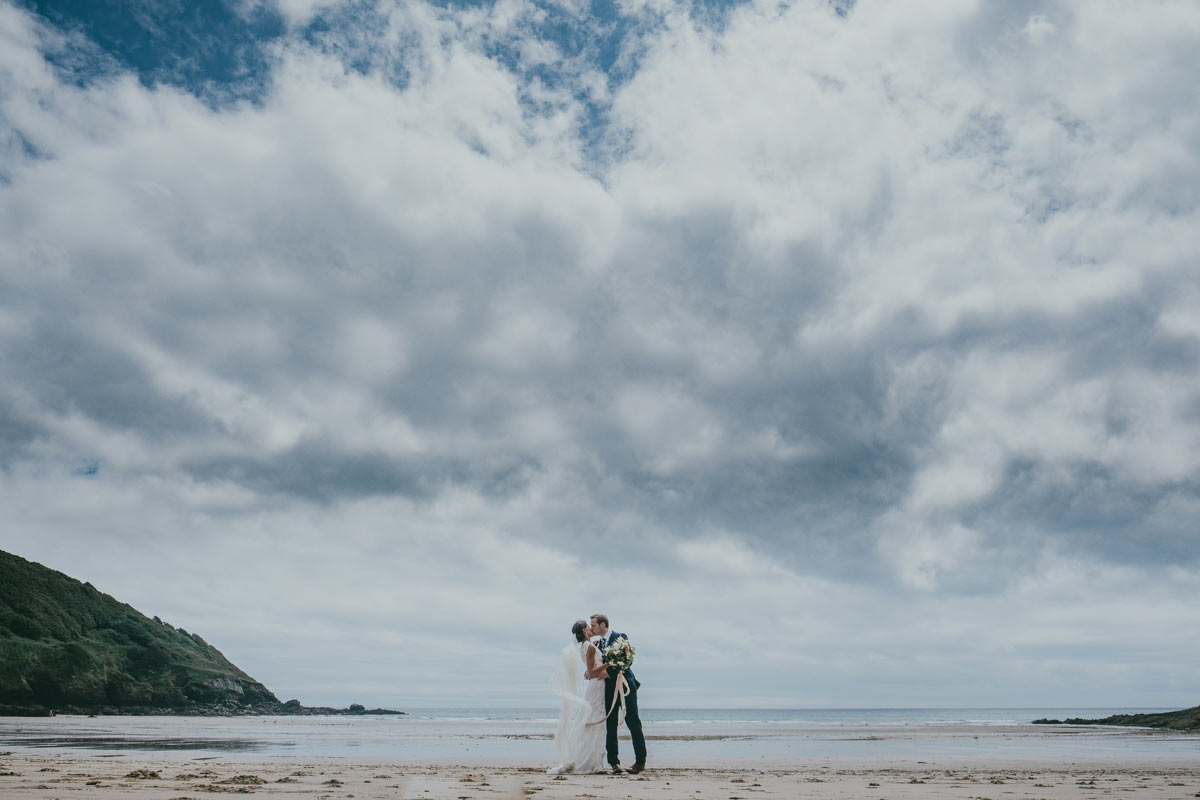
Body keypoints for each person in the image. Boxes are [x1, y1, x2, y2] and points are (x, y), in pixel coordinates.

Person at [547, 619, 609, 774]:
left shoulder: (587, 646)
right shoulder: (589, 648)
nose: (590, 628)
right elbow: (591, 672)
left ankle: (595, 762)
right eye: (588, 627)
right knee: (595, 720)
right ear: (583, 631)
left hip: (598, 685)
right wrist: (610, 664)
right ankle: (591, 763)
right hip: (596, 686)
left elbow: (591, 670)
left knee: (596, 720)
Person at [590, 613, 646, 774]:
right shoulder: (597, 645)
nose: (592, 628)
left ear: (602, 624)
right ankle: (614, 763)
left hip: (626, 685)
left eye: (593, 625)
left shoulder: (620, 637)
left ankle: (640, 762)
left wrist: (608, 673)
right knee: (611, 724)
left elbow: (627, 661)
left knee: (633, 721)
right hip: (608, 689)